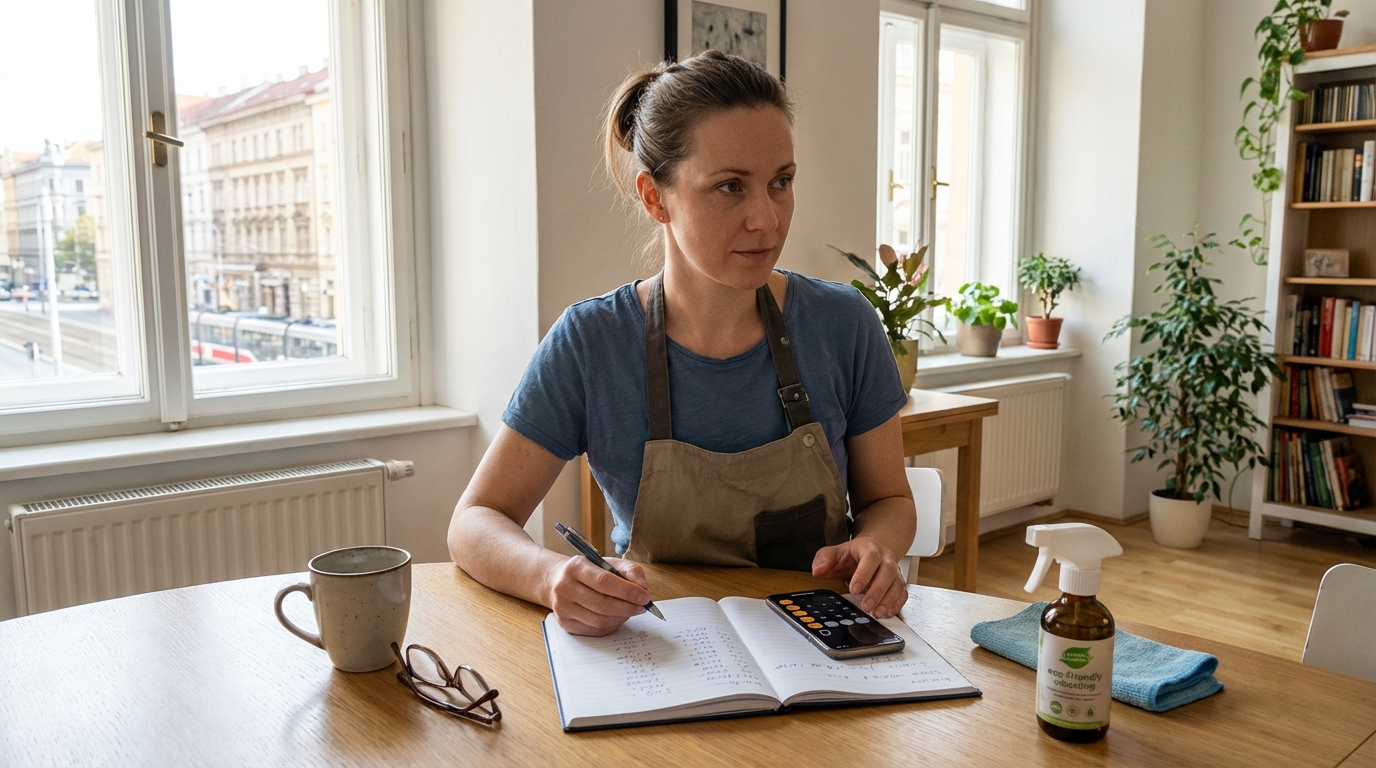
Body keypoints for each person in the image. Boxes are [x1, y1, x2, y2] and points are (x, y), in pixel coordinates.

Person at [449, 50, 915, 637]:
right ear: (654, 197)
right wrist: (550, 577)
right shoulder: (592, 343)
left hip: (823, 648)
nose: (767, 219)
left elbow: (891, 500)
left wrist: (877, 545)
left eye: (781, 182)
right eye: (729, 187)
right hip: (661, 649)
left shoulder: (844, 325)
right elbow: (475, 522)